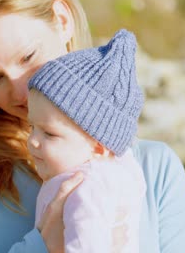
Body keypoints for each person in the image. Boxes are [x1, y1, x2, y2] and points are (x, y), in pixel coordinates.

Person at [0, 0, 185, 252]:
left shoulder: (155, 169)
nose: (20, 91)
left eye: (27, 57)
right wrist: (41, 244)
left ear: (62, 21)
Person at [27, 29, 146, 252]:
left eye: (49, 134)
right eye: (31, 127)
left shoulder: (85, 190)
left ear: (99, 147)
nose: (32, 141)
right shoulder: (119, 172)